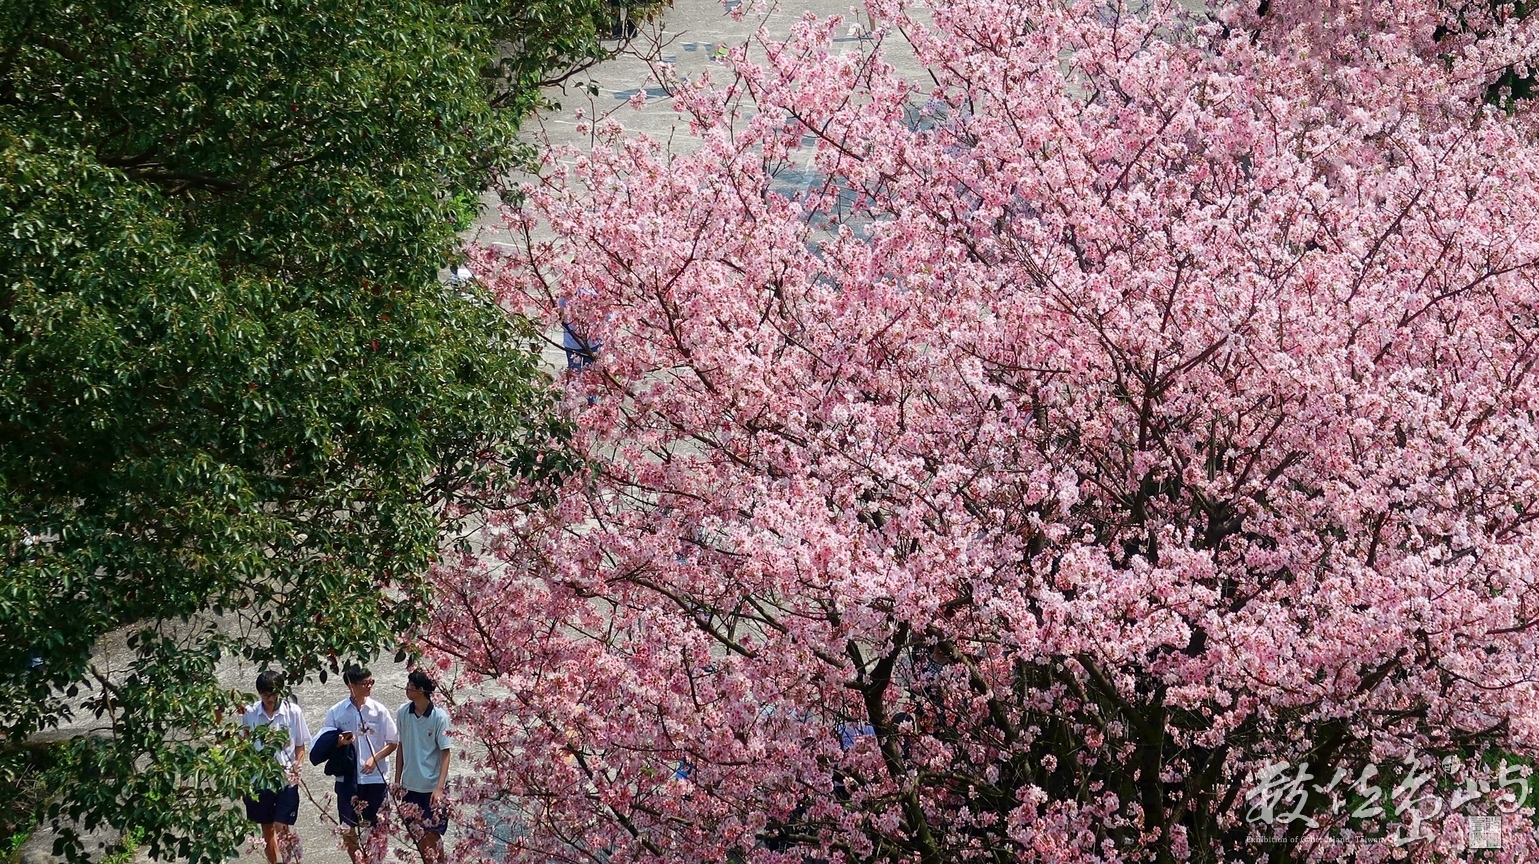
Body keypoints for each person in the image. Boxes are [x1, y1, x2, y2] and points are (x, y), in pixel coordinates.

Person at [321, 665, 399, 863]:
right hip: (348, 777)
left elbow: (393, 742)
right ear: (350, 685)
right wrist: (339, 741)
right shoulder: (336, 712)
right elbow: (324, 743)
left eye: (371, 682)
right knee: (347, 826)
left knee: (378, 826)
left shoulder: (379, 711)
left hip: (375, 777)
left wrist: (375, 758)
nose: (369, 686)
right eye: (365, 683)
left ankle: (375, 860)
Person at [240, 670, 310, 864]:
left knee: (282, 826)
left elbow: (300, 745)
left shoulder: (293, 711)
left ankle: (288, 861)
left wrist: (298, 765)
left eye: (272, 694)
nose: (269, 699)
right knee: (267, 828)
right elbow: (243, 745)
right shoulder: (250, 713)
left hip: (286, 778)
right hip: (259, 780)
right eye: (265, 694)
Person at [393, 670, 453, 864]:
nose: (407, 688)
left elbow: (446, 752)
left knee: (433, 834)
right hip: (410, 786)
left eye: (411, 685)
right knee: (417, 835)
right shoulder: (403, 712)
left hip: (432, 787)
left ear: (421, 690)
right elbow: (401, 747)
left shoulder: (439, 717)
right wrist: (397, 782)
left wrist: (439, 788)